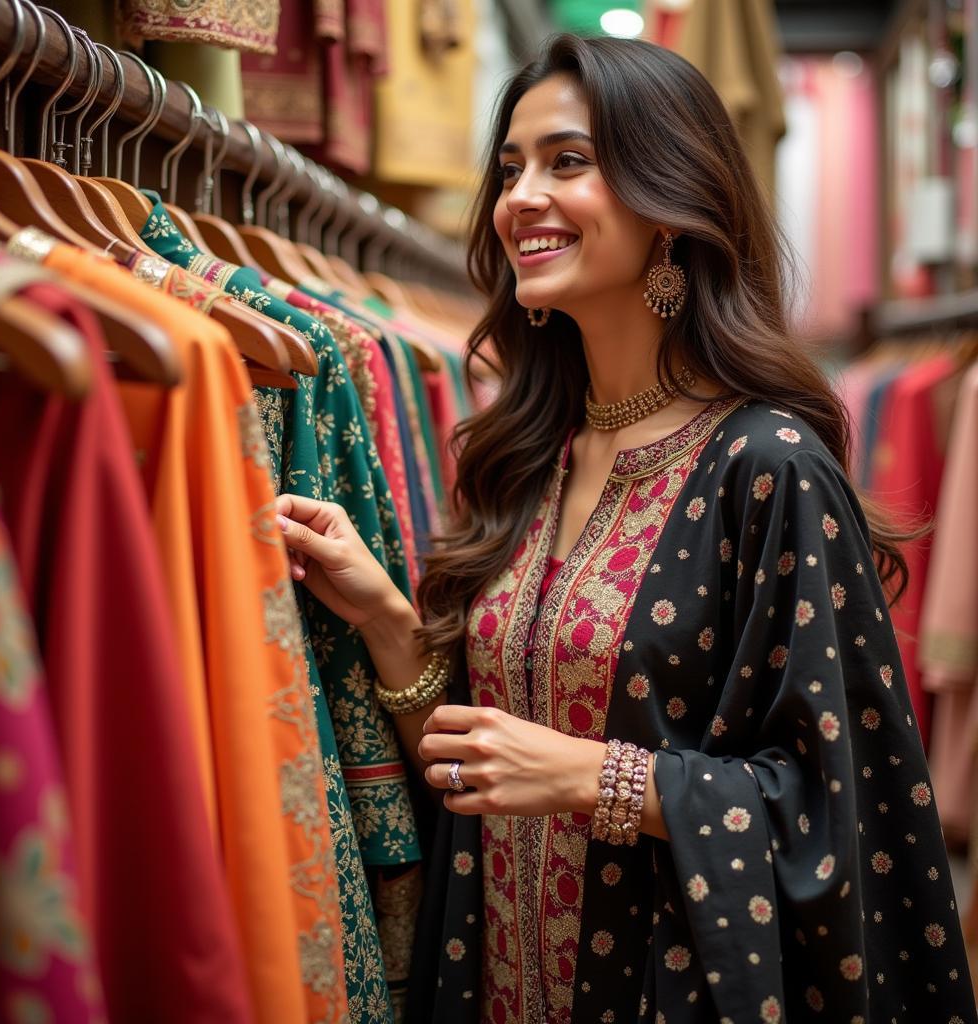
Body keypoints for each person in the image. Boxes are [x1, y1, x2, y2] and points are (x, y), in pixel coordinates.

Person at [275, 34, 977, 1024]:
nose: (519, 197)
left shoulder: (767, 469)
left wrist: (587, 775)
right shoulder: (527, 456)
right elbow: (479, 760)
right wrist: (388, 619)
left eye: (568, 161)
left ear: (666, 206)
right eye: (510, 169)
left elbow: (842, 812)